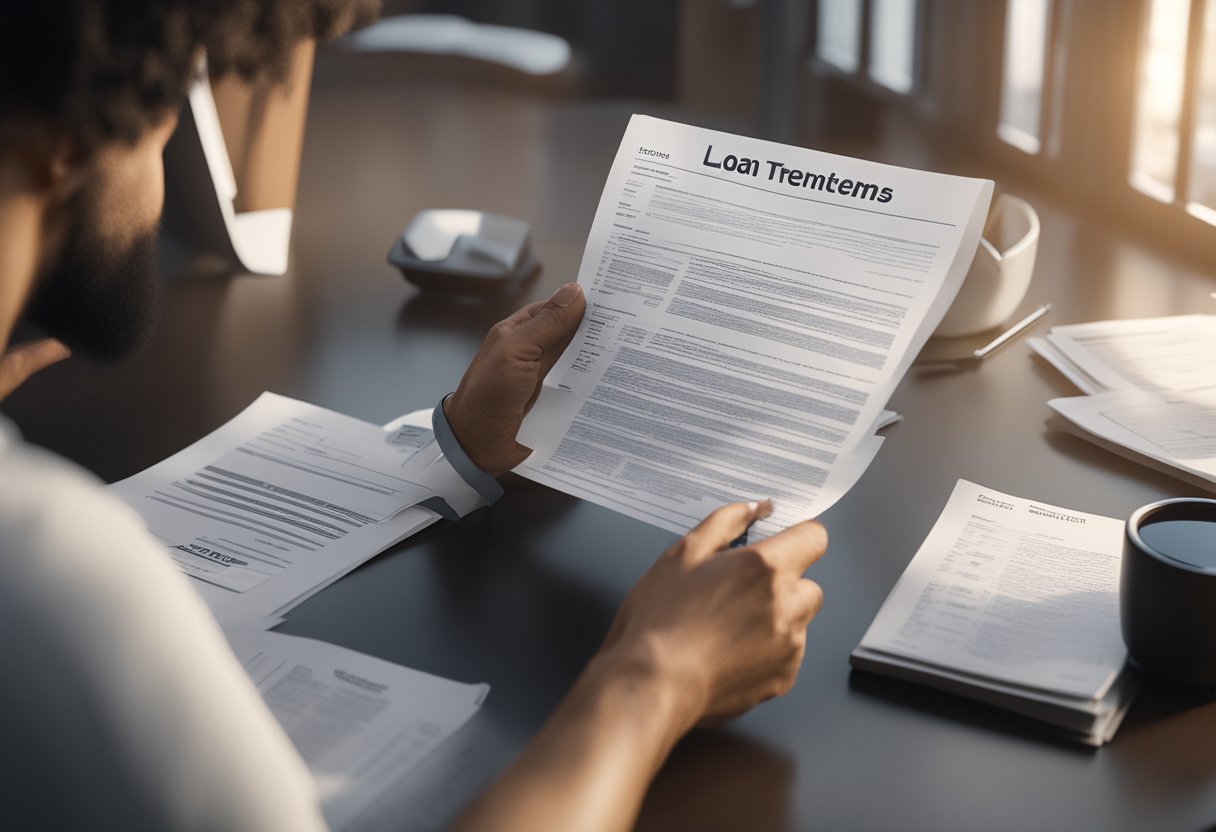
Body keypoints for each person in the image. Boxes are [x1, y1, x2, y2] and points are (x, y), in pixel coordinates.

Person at [0, 3, 829, 830]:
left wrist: (456, 454)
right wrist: (658, 673)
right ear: (67, 139)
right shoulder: (44, 567)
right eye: (161, 110)